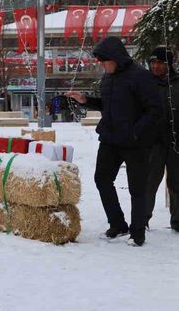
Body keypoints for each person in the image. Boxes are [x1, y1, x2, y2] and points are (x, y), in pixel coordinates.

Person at [65, 36, 162, 246]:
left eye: (105, 61)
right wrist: (85, 100)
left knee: (137, 188)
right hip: (110, 139)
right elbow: (108, 105)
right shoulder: (108, 78)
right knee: (102, 179)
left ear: (116, 58)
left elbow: (155, 109)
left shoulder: (140, 77)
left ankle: (137, 234)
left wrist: (136, 132)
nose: (103, 65)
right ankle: (118, 224)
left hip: (136, 142)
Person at [144, 46, 179, 231]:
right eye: (153, 62)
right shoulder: (145, 83)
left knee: (176, 182)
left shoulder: (177, 83)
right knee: (149, 182)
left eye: (160, 62)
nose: (156, 66)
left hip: (175, 142)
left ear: (169, 64)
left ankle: (177, 221)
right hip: (153, 142)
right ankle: (143, 219)